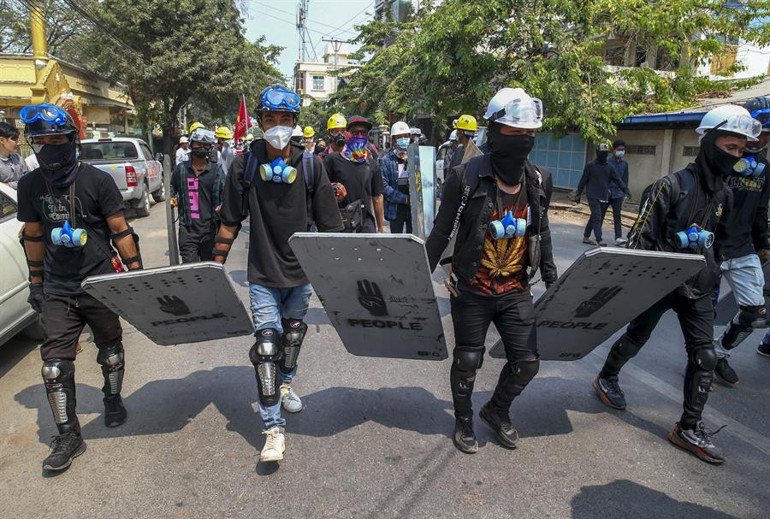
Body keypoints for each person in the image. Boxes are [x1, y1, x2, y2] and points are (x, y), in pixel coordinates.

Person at [592, 105, 761, 464]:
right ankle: (607, 377)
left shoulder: (725, 196)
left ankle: (688, 427)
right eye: (729, 147)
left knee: (705, 355)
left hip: (698, 286)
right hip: (660, 282)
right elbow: (639, 244)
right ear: (709, 142)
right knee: (638, 336)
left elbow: (722, 240)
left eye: (740, 150)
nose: (735, 155)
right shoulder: (667, 187)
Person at [211, 85, 343, 464]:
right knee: (267, 346)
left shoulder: (311, 166)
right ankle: (273, 429)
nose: (278, 127)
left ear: (295, 123)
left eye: (286, 120)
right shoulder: (244, 164)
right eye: (271, 119)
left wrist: (342, 277)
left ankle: (285, 384)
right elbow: (229, 222)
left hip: (301, 275)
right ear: (260, 122)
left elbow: (331, 228)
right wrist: (211, 270)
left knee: (292, 337)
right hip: (262, 274)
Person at [425, 88, 558, 454]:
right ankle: (463, 417)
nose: (522, 141)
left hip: (516, 288)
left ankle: (496, 409)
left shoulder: (539, 179)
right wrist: (419, 277)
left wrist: (552, 280)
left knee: (527, 362)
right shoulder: (464, 177)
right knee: (469, 359)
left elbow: (542, 232)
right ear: (493, 131)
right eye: (514, 134)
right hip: (472, 287)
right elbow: (441, 231)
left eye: (528, 134)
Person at [16, 103, 142, 472]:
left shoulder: (97, 181)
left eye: (58, 139)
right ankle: (68, 435)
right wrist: (36, 283)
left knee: (111, 351)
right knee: (54, 367)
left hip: (99, 281)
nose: (50, 146)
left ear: (72, 140)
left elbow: (120, 230)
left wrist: (134, 275)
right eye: (42, 141)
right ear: (33, 144)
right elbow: (34, 237)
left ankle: (113, 398)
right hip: (57, 286)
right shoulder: (29, 184)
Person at [711, 97, 770, 368]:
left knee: (754, 312)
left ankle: (720, 353)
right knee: (699, 314)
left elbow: (759, 211)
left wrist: (764, 245)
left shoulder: (764, 170)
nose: (763, 139)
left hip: (743, 248)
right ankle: (700, 360)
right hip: (710, 249)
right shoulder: (719, 159)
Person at [170, 128, 225, 263]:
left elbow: (226, 194)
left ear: (210, 147)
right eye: (198, 144)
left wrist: (223, 205)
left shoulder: (216, 171)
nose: (201, 147)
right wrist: (172, 198)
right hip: (188, 230)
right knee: (190, 270)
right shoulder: (181, 169)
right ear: (191, 144)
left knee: (208, 270)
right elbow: (172, 186)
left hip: (210, 230)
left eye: (205, 145)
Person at [323, 115, 385, 233]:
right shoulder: (332, 160)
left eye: (363, 133)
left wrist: (381, 228)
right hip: (340, 224)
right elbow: (321, 189)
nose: (359, 136)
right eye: (355, 132)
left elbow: (377, 198)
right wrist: (334, 189)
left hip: (365, 226)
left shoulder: (372, 165)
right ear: (347, 134)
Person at [574, 143, 628, 246]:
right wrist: (578, 194)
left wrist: (625, 189)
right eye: (601, 153)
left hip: (604, 195)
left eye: (605, 153)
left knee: (594, 216)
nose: (603, 155)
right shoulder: (590, 165)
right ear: (597, 153)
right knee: (598, 217)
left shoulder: (609, 167)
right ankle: (599, 239)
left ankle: (586, 236)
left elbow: (617, 180)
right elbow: (583, 180)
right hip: (592, 195)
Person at [380, 121, 412, 233]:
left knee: (413, 240)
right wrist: (404, 199)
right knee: (396, 241)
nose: (404, 139)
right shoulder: (386, 160)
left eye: (406, 136)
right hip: (396, 208)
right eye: (400, 137)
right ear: (393, 139)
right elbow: (383, 186)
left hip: (413, 208)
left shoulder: (415, 158)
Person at [607, 139, 630, 244]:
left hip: (618, 193)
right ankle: (587, 234)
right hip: (607, 192)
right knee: (599, 215)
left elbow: (625, 179)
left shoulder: (624, 164)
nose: (621, 151)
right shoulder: (607, 162)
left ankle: (618, 237)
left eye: (623, 149)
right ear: (614, 150)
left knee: (617, 216)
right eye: (619, 149)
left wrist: (625, 191)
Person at [0, 121, 29, 188]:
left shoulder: (18, 158)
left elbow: (29, 179)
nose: (18, 143)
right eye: (14, 139)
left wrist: (8, 185)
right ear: (1, 140)